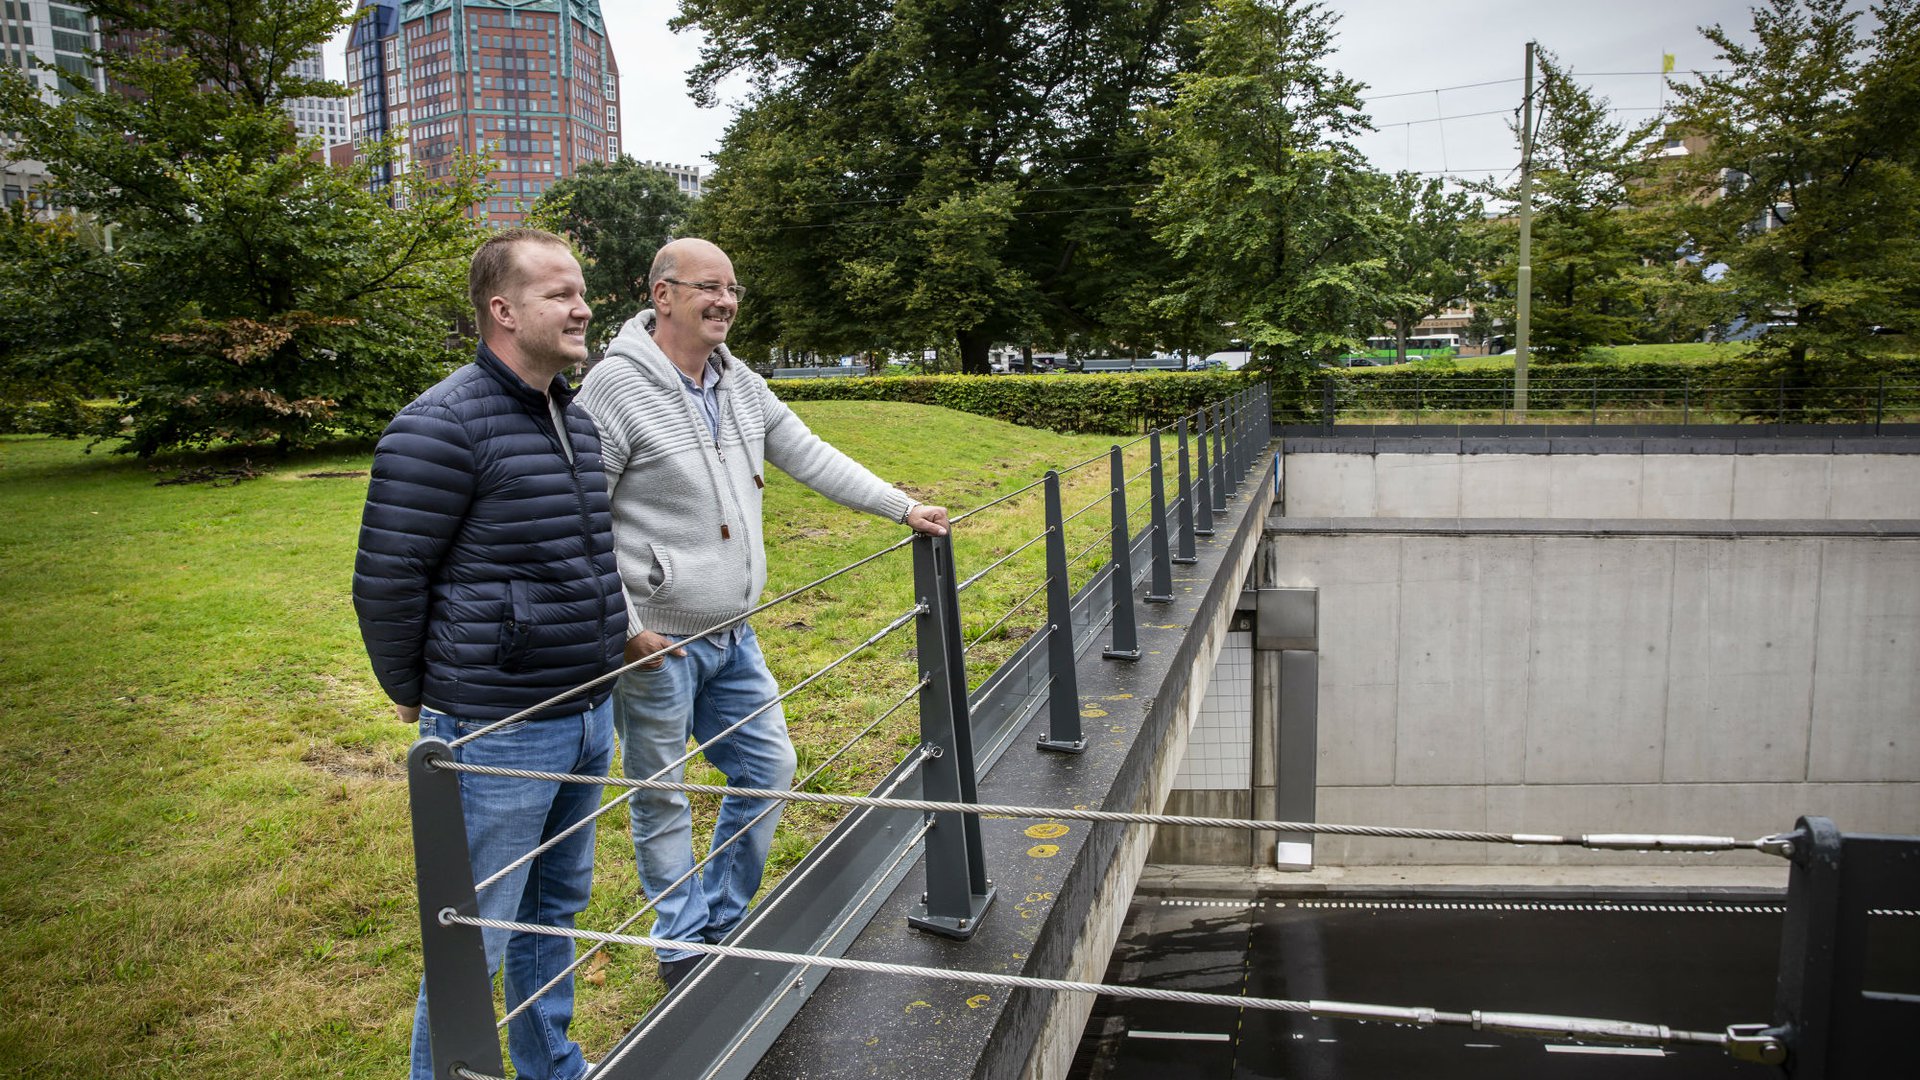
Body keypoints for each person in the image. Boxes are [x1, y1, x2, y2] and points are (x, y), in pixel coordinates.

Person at [577, 238, 950, 989]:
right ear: (663, 296)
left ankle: (720, 918)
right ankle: (682, 947)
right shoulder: (614, 390)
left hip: (734, 635)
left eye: (733, 289)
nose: (725, 301)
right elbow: (580, 516)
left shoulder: (736, 381)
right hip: (658, 643)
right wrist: (623, 628)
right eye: (708, 288)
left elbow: (807, 452)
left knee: (769, 767)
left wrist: (901, 506)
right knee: (662, 794)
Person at [352, 228, 624, 1080]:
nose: (582, 307)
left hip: (585, 710)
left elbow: (573, 555)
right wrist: (412, 691)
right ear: (502, 311)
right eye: (559, 294)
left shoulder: (569, 413)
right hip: (499, 725)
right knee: (476, 936)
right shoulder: (439, 425)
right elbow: (388, 578)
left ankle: (554, 1068)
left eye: (580, 291)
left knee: (554, 918)